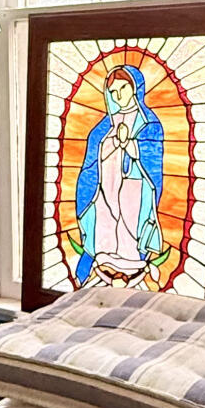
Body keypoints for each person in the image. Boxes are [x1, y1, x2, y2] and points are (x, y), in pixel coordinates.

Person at [68, 63, 165, 288]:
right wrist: (112, 142)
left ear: (135, 89)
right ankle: (104, 261)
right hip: (106, 184)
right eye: (113, 92)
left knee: (129, 227)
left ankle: (130, 266)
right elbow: (91, 162)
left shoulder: (150, 124)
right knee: (105, 222)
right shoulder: (103, 127)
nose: (118, 95)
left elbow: (152, 162)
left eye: (123, 88)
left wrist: (131, 145)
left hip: (135, 186)